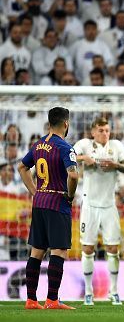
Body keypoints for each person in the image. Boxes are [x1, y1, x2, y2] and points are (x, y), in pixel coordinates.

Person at [18, 107, 79, 310]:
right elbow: (73, 175)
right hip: (57, 201)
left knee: (36, 251)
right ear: (66, 124)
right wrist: (70, 196)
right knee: (59, 251)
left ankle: (31, 300)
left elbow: (21, 167)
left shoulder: (38, 145)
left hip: (40, 202)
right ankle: (52, 300)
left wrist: (34, 191)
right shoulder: (64, 147)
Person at [74, 117, 124, 306]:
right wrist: (84, 159)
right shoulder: (85, 144)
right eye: (100, 130)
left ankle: (113, 291)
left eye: (107, 130)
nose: (104, 133)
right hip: (89, 205)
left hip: (109, 206)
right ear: (93, 132)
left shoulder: (116, 146)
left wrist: (115, 165)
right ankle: (89, 292)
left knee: (113, 249)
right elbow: (68, 155)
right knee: (88, 249)